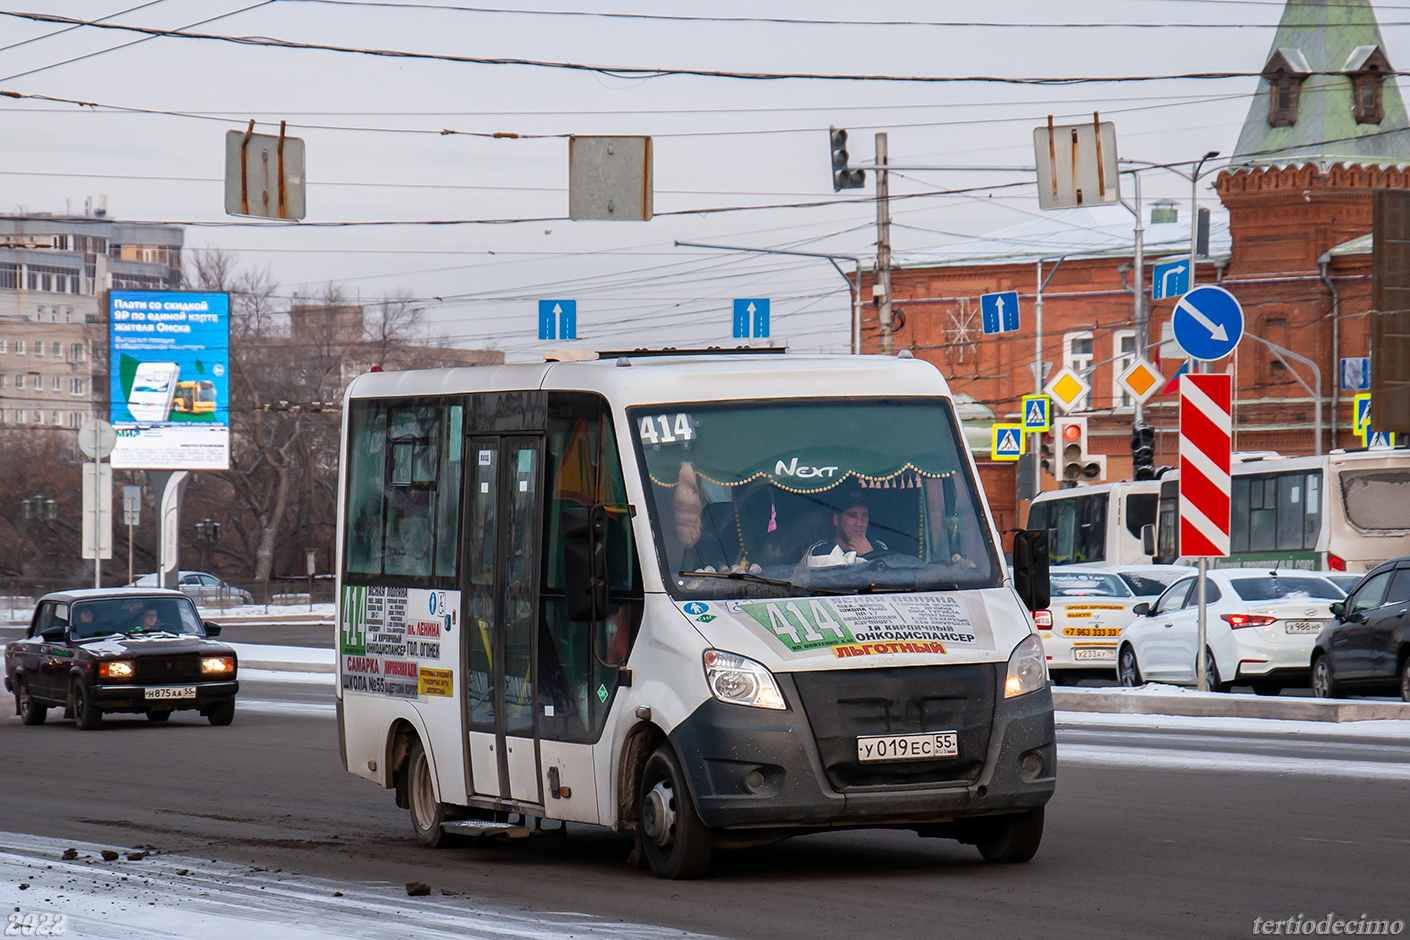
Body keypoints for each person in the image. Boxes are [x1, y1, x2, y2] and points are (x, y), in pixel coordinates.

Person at [804, 492, 888, 567]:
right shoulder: (818, 551)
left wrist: (870, 555)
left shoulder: (879, 548)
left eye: (864, 516)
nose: (859, 523)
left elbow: (888, 580)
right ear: (836, 520)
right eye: (852, 516)